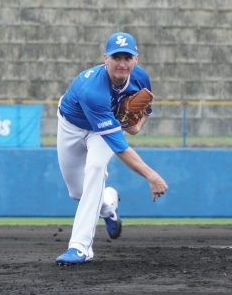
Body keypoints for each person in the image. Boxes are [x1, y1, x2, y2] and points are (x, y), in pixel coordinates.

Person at [55, 32, 169, 265]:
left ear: (136, 59)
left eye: (127, 57)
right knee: (77, 192)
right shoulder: (93, 90)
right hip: (71, 125)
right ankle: (108, 205)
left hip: (102, 131)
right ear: (105, 58)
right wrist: (151, 175)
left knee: (95, 169)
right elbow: (120, 148)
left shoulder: (140, 78)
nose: (122, 63)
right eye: (116, 57)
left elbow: (145, 109)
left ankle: (80, 247)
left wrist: (136, 125)